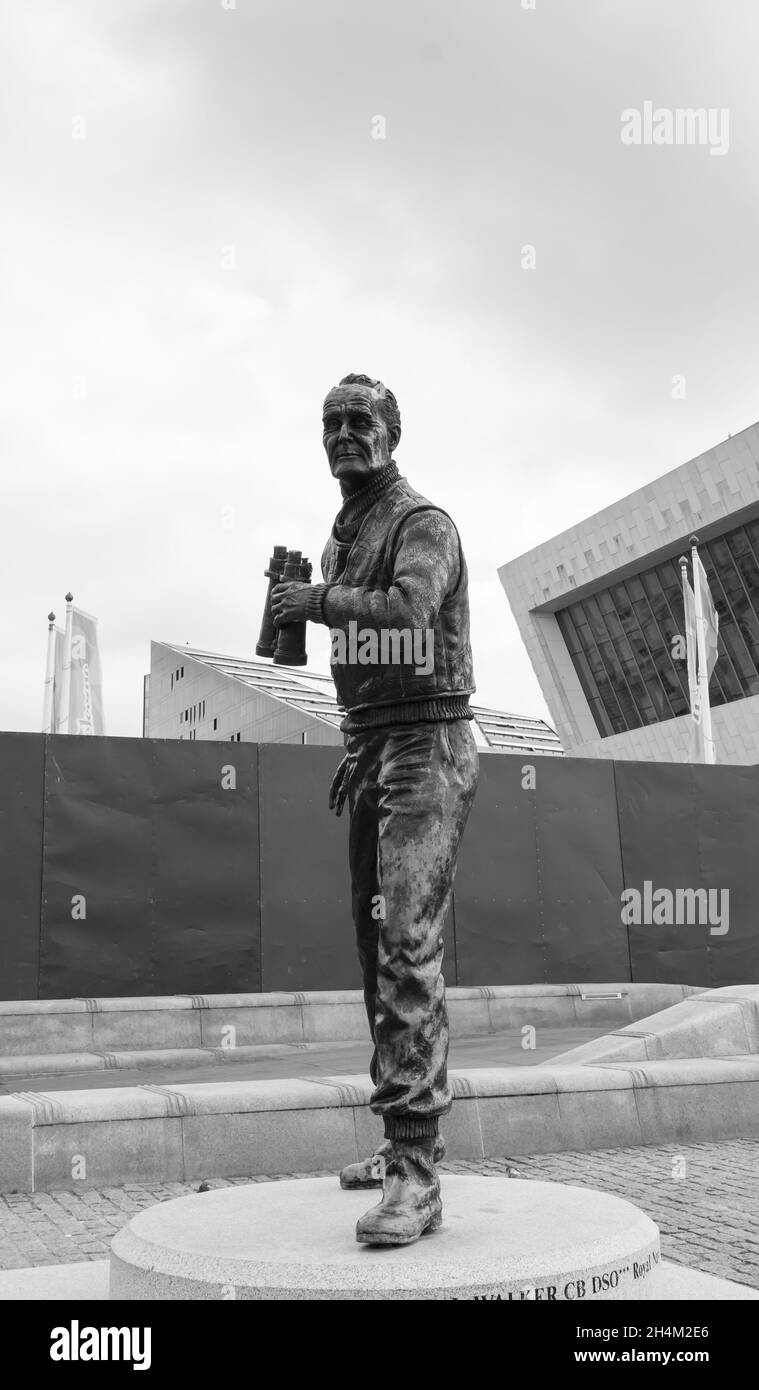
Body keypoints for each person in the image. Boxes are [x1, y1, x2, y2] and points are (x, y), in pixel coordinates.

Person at [271, 372, 479, 1245]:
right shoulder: (340, 536)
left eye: (361, 420)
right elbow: (353, 655)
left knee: (406, 948)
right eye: (332, 422)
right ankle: (397, 1139)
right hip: (375, 745)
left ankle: (418, 1173)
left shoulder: (420, 523)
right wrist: (355, 743)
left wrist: (310, 605)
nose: (345, 433)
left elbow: (405, 617)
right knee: (373, 947)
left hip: (426, 745)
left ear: (393, 433)